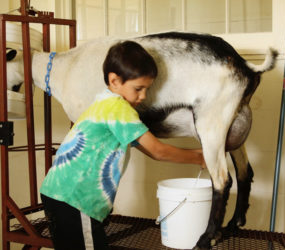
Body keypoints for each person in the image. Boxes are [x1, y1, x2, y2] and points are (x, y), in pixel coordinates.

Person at [40, 40, 206, 250]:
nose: (144, 96)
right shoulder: (119, 108)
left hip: (59, 193)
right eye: (139, 88)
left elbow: (150, 150)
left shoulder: (103, 102)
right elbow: (158, 150)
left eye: (147, 88)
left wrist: (196, 153)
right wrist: (200, 157)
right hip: (75, 199)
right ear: (115, 80)